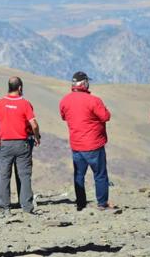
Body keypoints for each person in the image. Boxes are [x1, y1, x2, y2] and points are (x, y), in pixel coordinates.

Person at [0, 76, 41, 215]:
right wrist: (36, 136)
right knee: (24, 175)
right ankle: (27, 207)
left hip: (5, 143)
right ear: (20, 88)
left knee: (4, 176)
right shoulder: (24, 103)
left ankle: (5, 208)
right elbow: (33, 123)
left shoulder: (0, 103)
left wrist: (2, 127)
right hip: (21, 143)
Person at [59, 71, 112, 211]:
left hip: (76, 145)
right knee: (100, 175)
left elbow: (64, 117)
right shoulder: (94, 100)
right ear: (84, 83)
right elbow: (106, 116)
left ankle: (80, 203)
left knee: (79, 175)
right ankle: (102, 203)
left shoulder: (65, 100)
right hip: (94, 145)